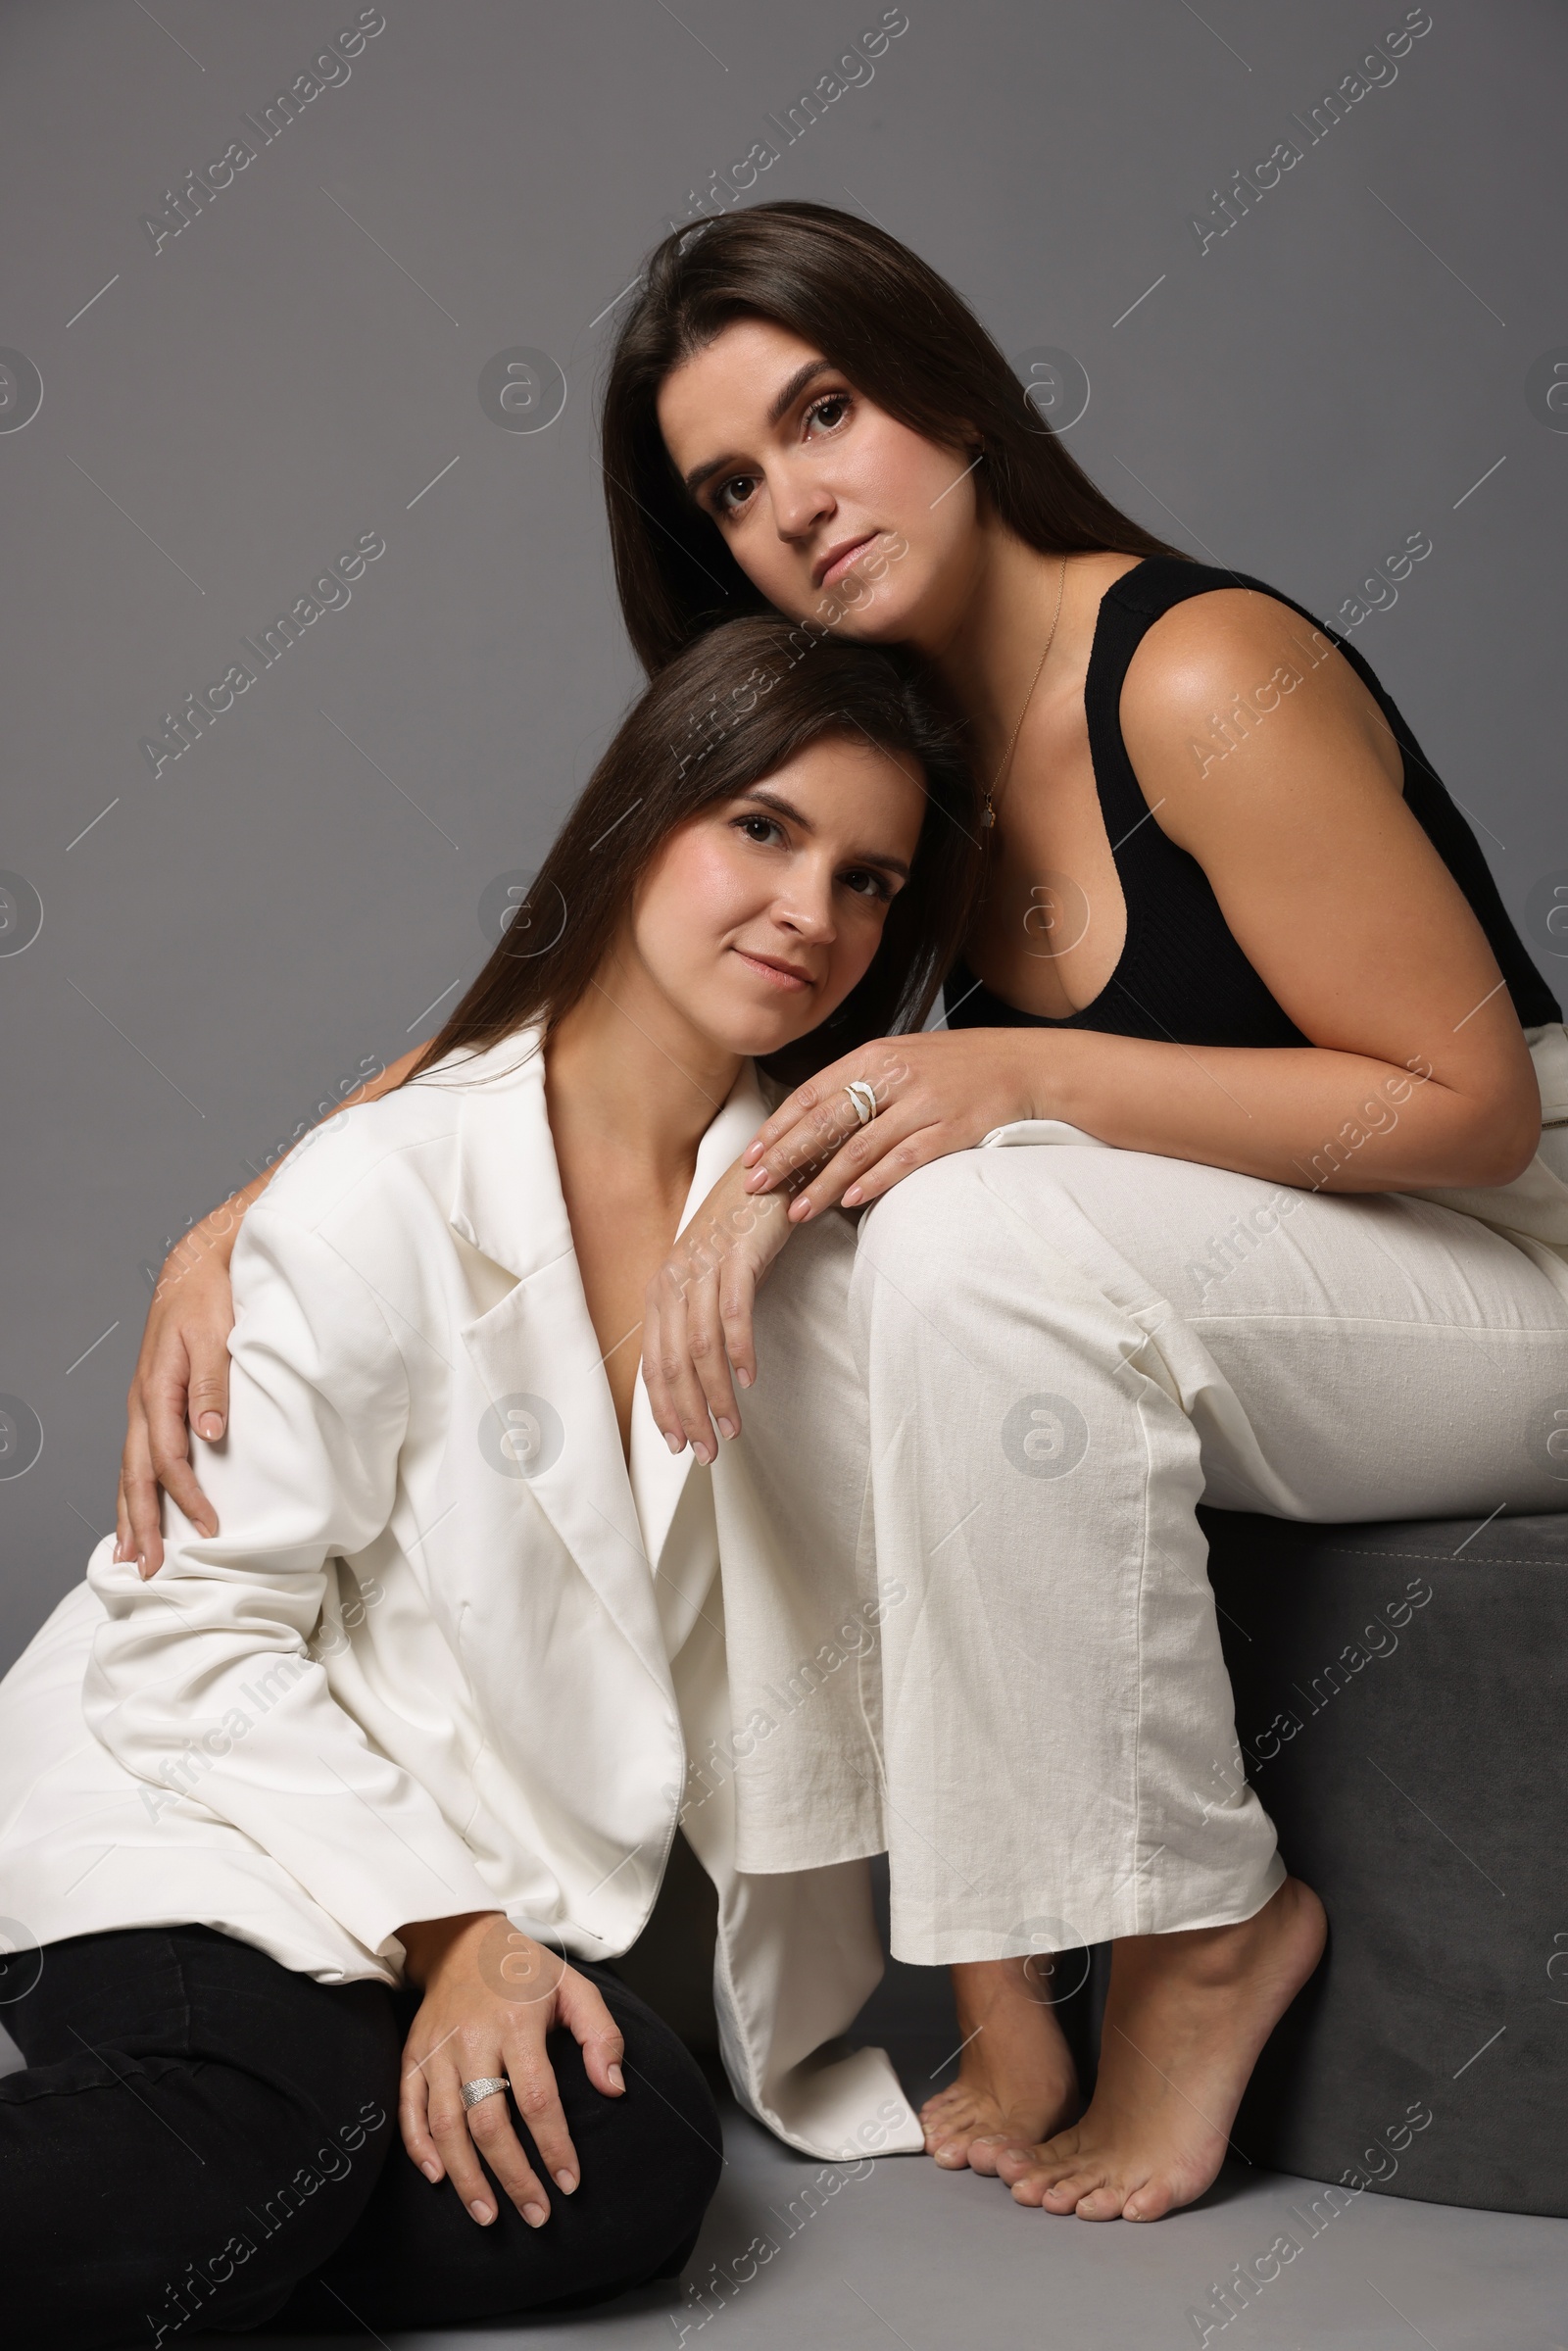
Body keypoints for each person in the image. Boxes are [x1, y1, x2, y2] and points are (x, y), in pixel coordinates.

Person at [114, 200, 1568, 2228]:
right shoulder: (910, 789)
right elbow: (609, 1030)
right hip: (1271, 1282)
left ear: (953, 400)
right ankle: (995, 1976)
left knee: (958, 1223)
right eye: (729, 483)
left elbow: (1471, 1104)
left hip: (1518, 1269)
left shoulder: (1193, 671)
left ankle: (1197, 1929)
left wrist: (1015, 1072)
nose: (791, 502)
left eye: (823, 414)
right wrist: (253, 1213)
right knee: (784, 1260)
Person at [0, 614, 979, 2348]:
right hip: (195, 1794)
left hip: (468, 1875)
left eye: (870, 879)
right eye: (763, 828)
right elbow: (186, 1644)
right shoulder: (386, 1181)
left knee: (632, 2157)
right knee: (264, 2133)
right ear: (640, 820)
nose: (814, 916)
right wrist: (452, 1936)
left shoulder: (812, 1228)